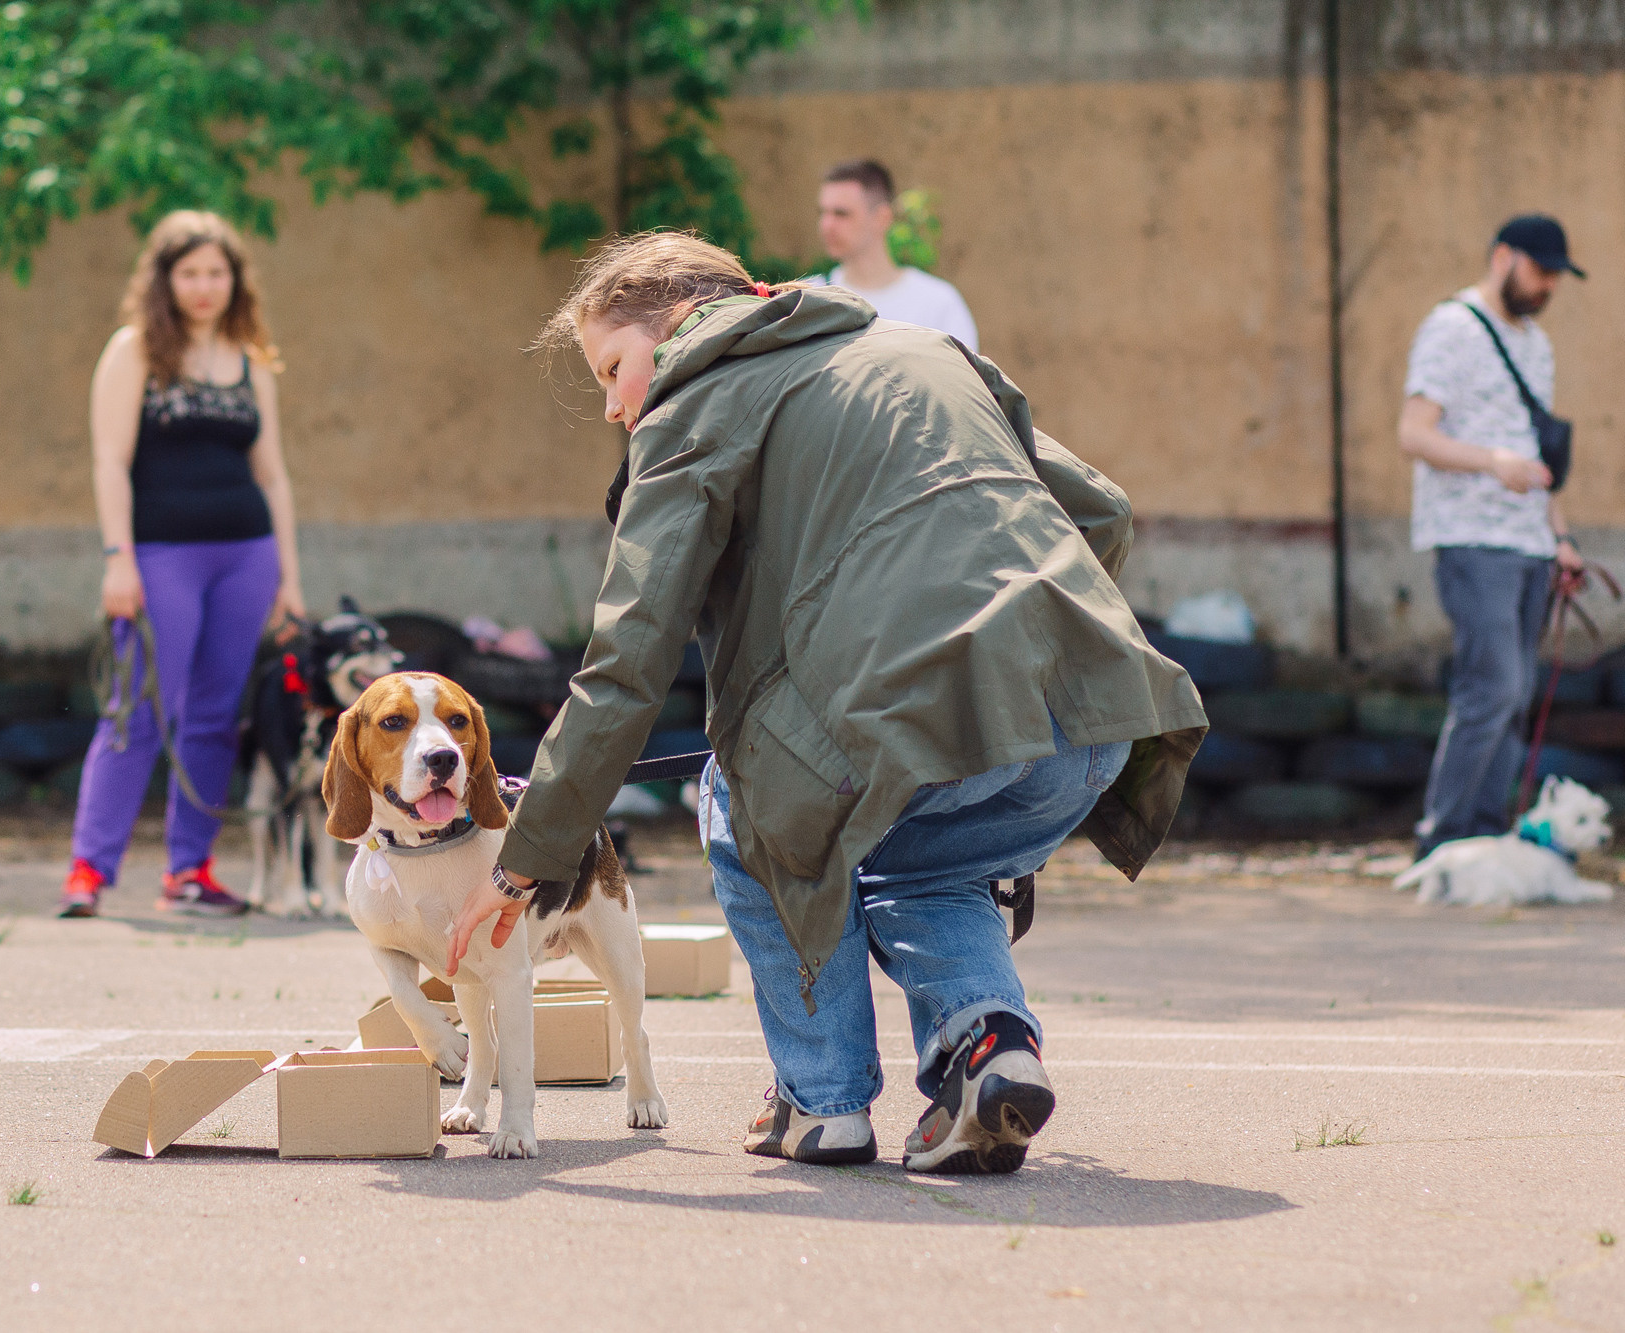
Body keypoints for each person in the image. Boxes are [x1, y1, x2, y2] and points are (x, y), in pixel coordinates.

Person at [448, 233, 1204, 1174]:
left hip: (914, 727)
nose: (612, 402)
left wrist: (523, 864)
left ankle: (822, 1102)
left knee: (738, 790)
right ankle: (988, 1048)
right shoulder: (922, 349)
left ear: (678, 322)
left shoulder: (692, 406)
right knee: (924, 870)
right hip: (1092, 720)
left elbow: (626, 667)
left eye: (612, 366)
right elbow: (1103, 511)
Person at [57, 211, 307, 919]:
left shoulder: (250, 358)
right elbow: (110, 460)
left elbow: (274, 475)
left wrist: (289, 579)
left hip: (246, 556)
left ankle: (189, 871)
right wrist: (117, 559)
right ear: (165, 279)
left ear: (235, 280)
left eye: (217, 272)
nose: (204, 286)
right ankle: (88, 870)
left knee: (213, 718)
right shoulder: (135, 350)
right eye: (190, 272)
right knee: (136, 711)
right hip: (159, 557)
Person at [1400, 214, 1586, 858]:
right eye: (1541, 271)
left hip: (1533, 540)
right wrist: (1491, 462)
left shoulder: (1537, 344)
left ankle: (1483, 832)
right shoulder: (1450, 327)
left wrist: (1560, 537)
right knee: (1494, 686)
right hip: (1471, 535)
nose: (1548, 287)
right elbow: (1414, 434)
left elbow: (1540, 458)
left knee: (1518, 695)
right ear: (1503, 257)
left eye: (1557, 276)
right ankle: (1442, 837)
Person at [816, 158, 978, 350]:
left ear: (882, 218)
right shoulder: (811, 299)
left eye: (841, 214)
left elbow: (960, 379)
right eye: (822, 213)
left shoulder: (939, 303)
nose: (826, 225)